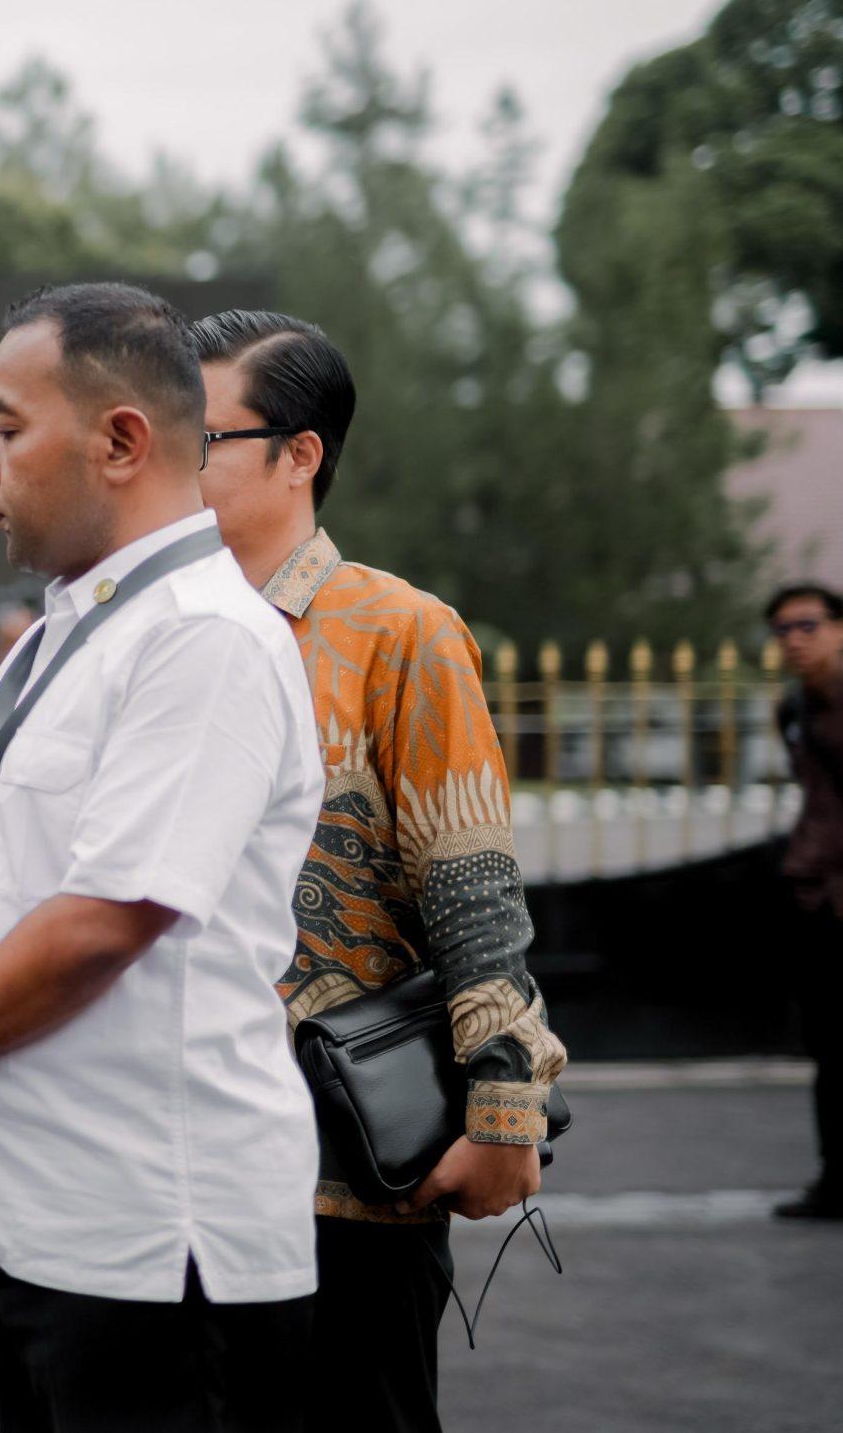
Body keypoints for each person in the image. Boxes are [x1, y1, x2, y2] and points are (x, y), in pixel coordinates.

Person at [0, 282, 324, 1433]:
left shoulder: (201, 637)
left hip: (156, 1240)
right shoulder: (65, 627)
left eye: (8, 425)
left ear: (119, 441)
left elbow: (110, 915)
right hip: (52, 1220)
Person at [190, 308, 568, 1429]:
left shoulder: (396, 631)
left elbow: (471, 882)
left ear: (298, 453)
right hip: (165, 1158)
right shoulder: (151, 630)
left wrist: (504, 1102)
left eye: (200, 434)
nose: (166, 458)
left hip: (340, 1165)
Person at [764, 582, 843, 1220]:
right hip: (816, 902)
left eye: (808, 625)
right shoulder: (795, 710)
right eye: (783, 629)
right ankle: (842, 1183)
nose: (795, 640)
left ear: (840, 629)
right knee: (832, 1055)